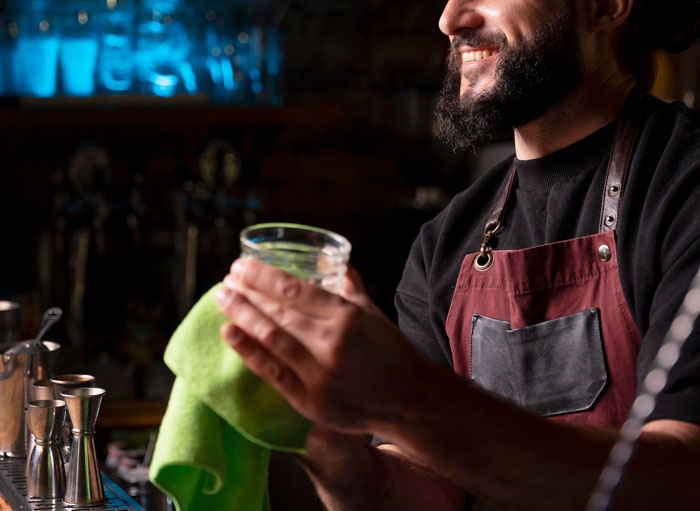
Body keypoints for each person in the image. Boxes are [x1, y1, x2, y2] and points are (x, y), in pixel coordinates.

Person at [215, 0, 700, 508]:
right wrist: (327, 441)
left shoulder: (684, 188)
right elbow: (423, 492)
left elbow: (682, 476)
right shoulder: (445, 242)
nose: (450, 19)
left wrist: (408, 397)